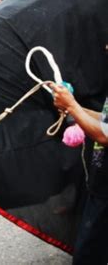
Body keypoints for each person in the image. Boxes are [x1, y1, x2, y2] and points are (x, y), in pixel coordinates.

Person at [50, 83, 108, 264]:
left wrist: (72, 106)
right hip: (102, 185)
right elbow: (105, 120)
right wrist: (75, 107)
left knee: (87, 254)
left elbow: (105, 135)